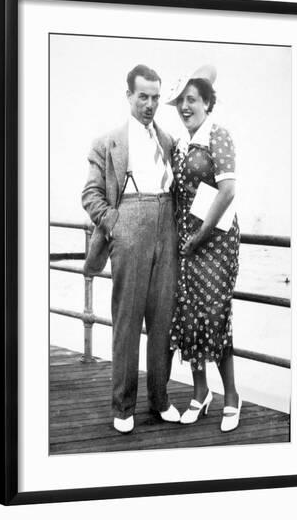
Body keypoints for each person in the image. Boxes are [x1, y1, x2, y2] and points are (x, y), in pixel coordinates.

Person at [82, 64, 180, 434]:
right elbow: (90, 195)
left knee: (162, 320)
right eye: (143, 96)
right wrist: (115, 224)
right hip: (129, 224)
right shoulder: (107, 143)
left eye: (155, 98)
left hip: (165, 224)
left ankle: (160, 399)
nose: (150, 104)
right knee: (127, 321)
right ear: (129, 96)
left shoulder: (167, 141)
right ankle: (123, 406)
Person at [166, 64, 242, 432]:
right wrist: (185, 239)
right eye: (180, 101)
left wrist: (201, 235)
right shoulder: (180, 143)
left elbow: (227, 191)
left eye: (192, 99)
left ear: (207, 103)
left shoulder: (218, 135)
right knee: (189, 314)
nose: (185, 107)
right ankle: (200, 392)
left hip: (216, 242)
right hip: (187, 241)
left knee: (214, 314)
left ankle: (231, 396)